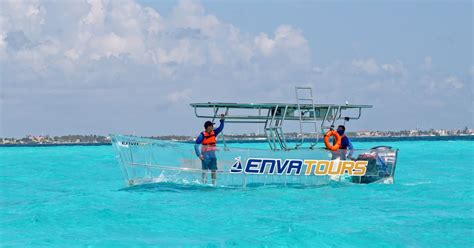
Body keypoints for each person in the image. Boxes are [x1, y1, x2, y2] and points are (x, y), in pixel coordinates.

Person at [194, 114, 225, 185]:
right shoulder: (202, 135)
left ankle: (213, 184)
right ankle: (203, 183)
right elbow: (196, 146)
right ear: (208, 127)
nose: (213, 127)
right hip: (205, 157)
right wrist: (199, 155)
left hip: (213, 156)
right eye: (211, 126)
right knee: (204, 171)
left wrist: (222, 120)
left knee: (213, 171)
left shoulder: (214, 133)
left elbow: (221, 128)